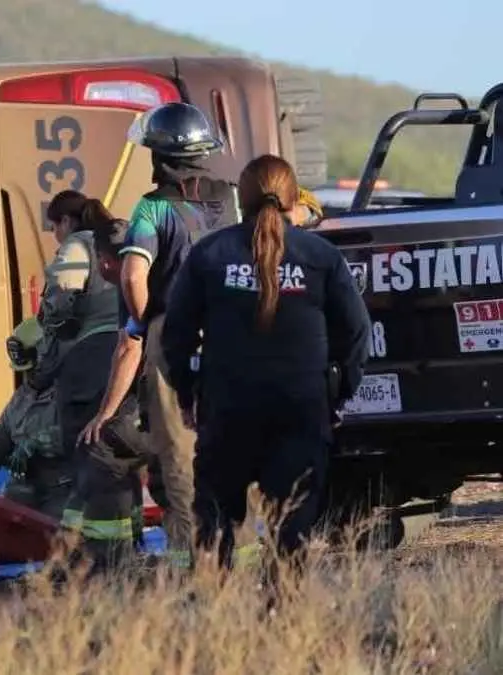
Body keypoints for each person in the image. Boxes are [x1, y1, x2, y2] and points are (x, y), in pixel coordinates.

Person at [160, 154, 370, 574]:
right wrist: (338, 394)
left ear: (244, 198)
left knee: (215, 530)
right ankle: (284, 623)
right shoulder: (321, 257)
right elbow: (357, 335)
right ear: (294, 200)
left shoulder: (209, 254)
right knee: (290, 536)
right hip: (301, 413)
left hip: (227, 414)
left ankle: (217, 620)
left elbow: (175, 335)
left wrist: (187, 393)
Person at [82, 101, 237, 569]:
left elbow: (132, 276)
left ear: (158, 155)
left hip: (178, 338)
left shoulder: (152, 209)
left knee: (181, 461)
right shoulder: (231, 199)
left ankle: (196, 568)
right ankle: (242, 561)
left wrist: (147, 323)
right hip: (236, 336)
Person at [30, 193, 124, 506]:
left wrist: (41, 355)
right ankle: (130, 540)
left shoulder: (77, 245)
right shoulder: (123, 237)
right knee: (122, 452)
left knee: (88, 452)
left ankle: (93, 548)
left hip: (92, 360)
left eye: (53, 226)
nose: (54, 234)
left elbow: (58, 308)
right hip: (134, 353)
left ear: (66, 221)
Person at [0, 317, 77, 522]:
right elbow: (3, 431)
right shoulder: (22, 397)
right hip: (27, 494)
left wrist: (37, 443)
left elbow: (77, 432)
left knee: (58, 548)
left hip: (65, 491)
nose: (28, 376)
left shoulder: (73, 389)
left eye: (32, 369)